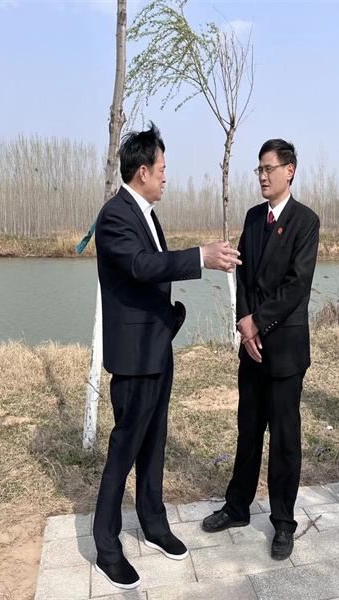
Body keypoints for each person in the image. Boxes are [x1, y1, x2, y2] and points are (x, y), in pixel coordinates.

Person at [93, 122, 241, 590]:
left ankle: (154, 524)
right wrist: (199, 257)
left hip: (158, 348)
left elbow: (153, 269)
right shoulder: (115, 216)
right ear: (142, 171)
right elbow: (141, 266)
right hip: (135, 357)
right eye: (161, 169)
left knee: (154, 444)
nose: (165, 177)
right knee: (125, 449)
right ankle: (106, 547)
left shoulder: (146, 214)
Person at [202, 139, 320, 561]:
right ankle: (237, 507)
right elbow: (243, 276)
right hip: (251, 348)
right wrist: (243, 321)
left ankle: (284, 522)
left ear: (289, 170)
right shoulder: (253, 217)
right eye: (259, 169)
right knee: (248, 431)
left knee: (285, 439)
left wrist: (258, 321)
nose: (263, 176)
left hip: (285, 349)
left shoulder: (306, 221)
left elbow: (296, 285)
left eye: (269, 168)